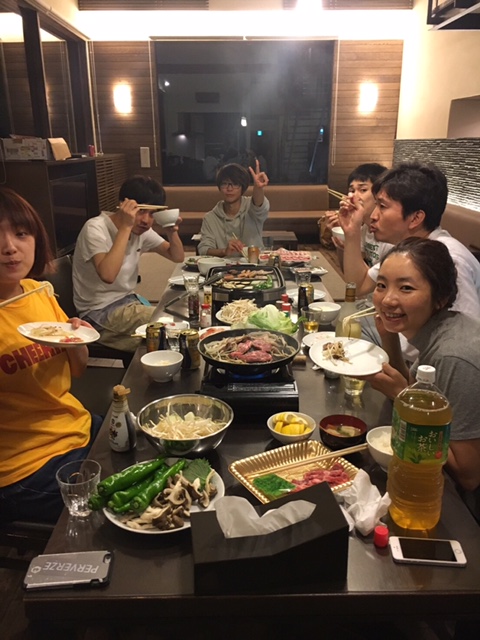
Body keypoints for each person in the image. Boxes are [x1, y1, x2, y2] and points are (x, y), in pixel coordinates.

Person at [0, 186, 103, 524]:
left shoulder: (38, 291)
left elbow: (78, 369)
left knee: (150, 446)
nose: (9, 247)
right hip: (23, 466)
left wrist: (77, 340)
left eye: (21, 233)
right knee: (118, 506)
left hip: (75, 426)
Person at [366, 237, 480, 493]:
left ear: (440, 297)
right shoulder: (439, 328)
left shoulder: (453, 355)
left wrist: (400, 395)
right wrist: (388, 337)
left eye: (406, 288)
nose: (387, 299)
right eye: (381, 285)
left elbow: (468, 474)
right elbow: (419, 390)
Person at [338, 161, 480, 319]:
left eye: (382, 206)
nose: (373, 216)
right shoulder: (408, 250)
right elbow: (359, 286)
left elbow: (469, 329)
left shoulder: (450, 260)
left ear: (415, 218)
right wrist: (352, 233)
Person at [72, 175, 184, 352]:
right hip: (98, 312)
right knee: (172, 326)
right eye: (140, 211)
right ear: (123, 206)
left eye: (152, 213)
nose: (146, 220)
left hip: (128, 301)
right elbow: (108, 275)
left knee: (179, 313)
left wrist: (171, 231)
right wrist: (125, 227)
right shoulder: (95, 228)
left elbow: (177, 256)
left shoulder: (141, 231)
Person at [197, 161, 269, 257]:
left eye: (235, 184)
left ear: (242, 187)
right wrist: (224, 251)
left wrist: (258, 188)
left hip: (254, 263)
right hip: (224, 265)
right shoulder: (210, 218)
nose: (229, 189)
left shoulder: (251, 207)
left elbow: (259, 206)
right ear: (219, 187)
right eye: (224, 184)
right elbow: (204, 249)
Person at [326, 163, 390, 269]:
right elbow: (351, 273)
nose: (353, 197)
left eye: (363, 190)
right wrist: (345, 236)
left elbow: (366, 278)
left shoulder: (390, 236)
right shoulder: (365, 228)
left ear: (381, 194)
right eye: (352, 191)